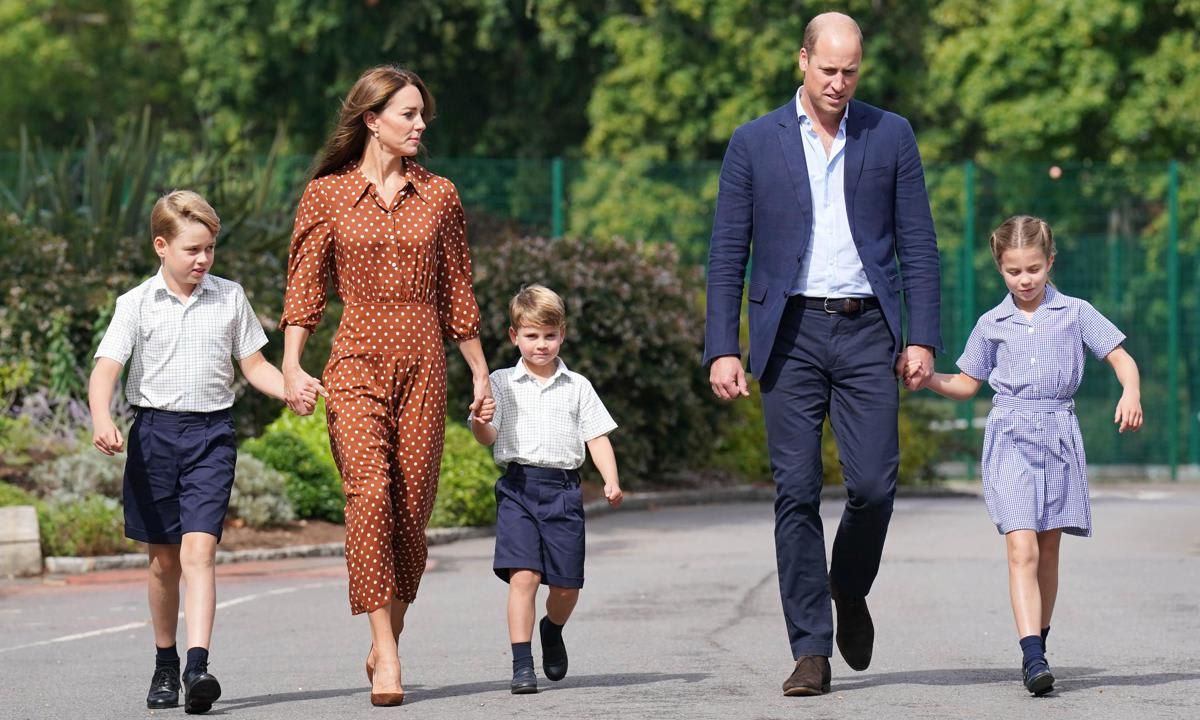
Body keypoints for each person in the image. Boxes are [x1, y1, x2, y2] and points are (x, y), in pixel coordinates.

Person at [703, 11, 942, 696]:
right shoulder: (754, 143)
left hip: (869, 330)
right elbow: (727, 254)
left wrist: (920, 336)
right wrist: (723, 348)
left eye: (851, 71)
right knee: (797, 491)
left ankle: (849, 586)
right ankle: (810, 649)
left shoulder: (889, 134)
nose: (839, 83)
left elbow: (918, 243)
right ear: (802, 60)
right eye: (828, 69)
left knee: (872, 487)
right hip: (790, 334)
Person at [278, 65, 492, 707]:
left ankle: (383, 637)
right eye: (408, 114)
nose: (420, 125)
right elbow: (304, 289)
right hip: (356, 364)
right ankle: (391, 656)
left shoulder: (441, 194)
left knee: (411, 512)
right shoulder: (327, 195)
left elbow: (457, 290)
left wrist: (481, 371)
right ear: (372, 119)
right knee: (369, 496)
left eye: (422, 114)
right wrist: (292, 364)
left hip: (426, 362)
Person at [88, 190, 324, 714]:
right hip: (153, 438)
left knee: (200, 551)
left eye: (210, 248)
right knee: (161, 562)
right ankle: (166, 662)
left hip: (211, 437)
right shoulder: (136, 304)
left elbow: (254, 365)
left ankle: (198, 667)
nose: (203, 260)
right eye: (193, 249)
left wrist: (289, 385)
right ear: (161, 246)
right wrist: (103, 418)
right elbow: (106, 369)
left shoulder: (229, 296)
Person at [913, 215, 1142, 695]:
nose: (1025, 280)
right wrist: (928, 378)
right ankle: (1032, 657)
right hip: (1010, 436)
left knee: (1049, 548)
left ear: (1050, 262)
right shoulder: (991, 323)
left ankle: (1040, 638)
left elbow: (1121, 357)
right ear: (1000, 268)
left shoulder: (1076, 312)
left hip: (1058, 434)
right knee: (1022, 546)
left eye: (1034, 269)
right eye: (1014, 271)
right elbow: (967, 384)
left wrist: (1131, 393)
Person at [469, 284, 624, 694]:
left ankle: (552, 629)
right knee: (524, 576)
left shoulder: (577, 386)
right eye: (532, 336)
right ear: (513, 336)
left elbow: (597, 437)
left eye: (549, 336)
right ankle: (523, 665)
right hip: (519, 488)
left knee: (566, 586)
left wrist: (610, 479)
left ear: (563, 334)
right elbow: (487, 436)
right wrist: (478, 420)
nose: (541, 345)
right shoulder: (501, 383)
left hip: (563, 492)